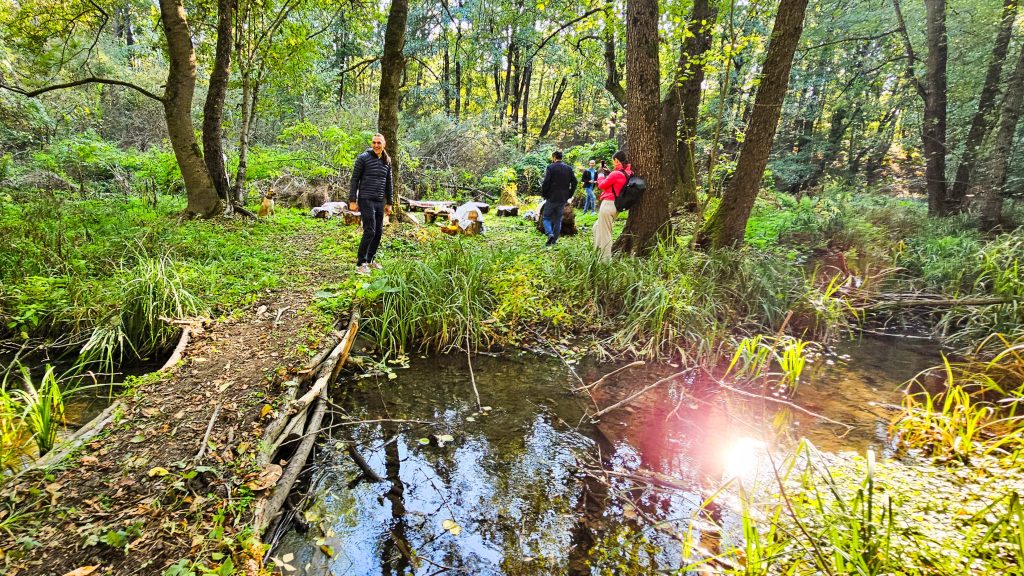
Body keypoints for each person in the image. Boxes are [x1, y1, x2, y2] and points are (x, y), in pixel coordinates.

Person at [348, 133, 393, 275]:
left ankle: (370, 259)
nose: (376, 145)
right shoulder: (363, 158)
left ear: (384, 144)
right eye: (374, 142)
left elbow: (389, 183)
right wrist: (352, 200)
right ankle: (360, 263)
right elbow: (354, 180)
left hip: (379, 201)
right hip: (365, 199)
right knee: (370, 231)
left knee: (379, 232)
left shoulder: (387, 161)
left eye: (379, 143)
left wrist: (390, 202)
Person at [594, 150, 632, 260]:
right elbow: (617, 180)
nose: (613, 163)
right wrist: (609, 172)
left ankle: (605, 262)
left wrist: (601, 173)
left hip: (607, 205)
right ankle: (597, 254)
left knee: (605, 234)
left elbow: (601, 185)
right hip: (617, 206)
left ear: (616, 160)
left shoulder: (615, 174)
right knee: (596, 227)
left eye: (613, 161)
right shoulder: (628, 173)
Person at [539, 150, 577, 246]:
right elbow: (575, 182)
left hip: (551, 197)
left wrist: (544, 194)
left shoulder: (550, 167)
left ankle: (549, 234)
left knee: (546, 217)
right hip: (563, 198)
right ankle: (554, 242)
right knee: (558, 219)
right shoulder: (568, 168)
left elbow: (546, 182)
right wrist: (569, 194)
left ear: (554, 157)